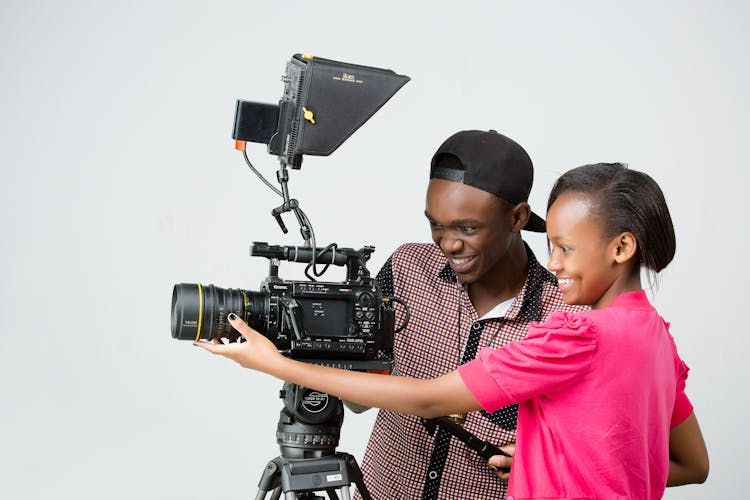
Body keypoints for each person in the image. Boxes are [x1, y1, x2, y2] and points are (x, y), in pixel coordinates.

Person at [196, 162, 709, 499]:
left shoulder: (575, 336)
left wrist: (276, 363)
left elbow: (426, 400)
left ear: (620, 248)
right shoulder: (658, 340)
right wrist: (545, 460)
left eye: (565, 248)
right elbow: (690, 464)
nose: (553, 263)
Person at [355, 129, 584, 499]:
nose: (448, 244)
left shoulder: (567, 317)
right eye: (436, 225)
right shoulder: (406, 267)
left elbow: (618, 449)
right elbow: (358, 402)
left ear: (517, 218)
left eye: (467, 228)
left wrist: (547, 462)